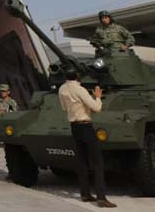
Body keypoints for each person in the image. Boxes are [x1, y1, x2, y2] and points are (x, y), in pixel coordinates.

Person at [58, 68, 116, 208]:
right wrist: (97, 96)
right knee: (97, 162)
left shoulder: (62, 89)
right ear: (77, 76)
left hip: (74, 127)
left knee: (82, 161)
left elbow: (64, 109)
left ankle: (85, 193)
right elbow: (96, 108)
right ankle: (101, 197)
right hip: (85, 126)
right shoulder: (80, 89)